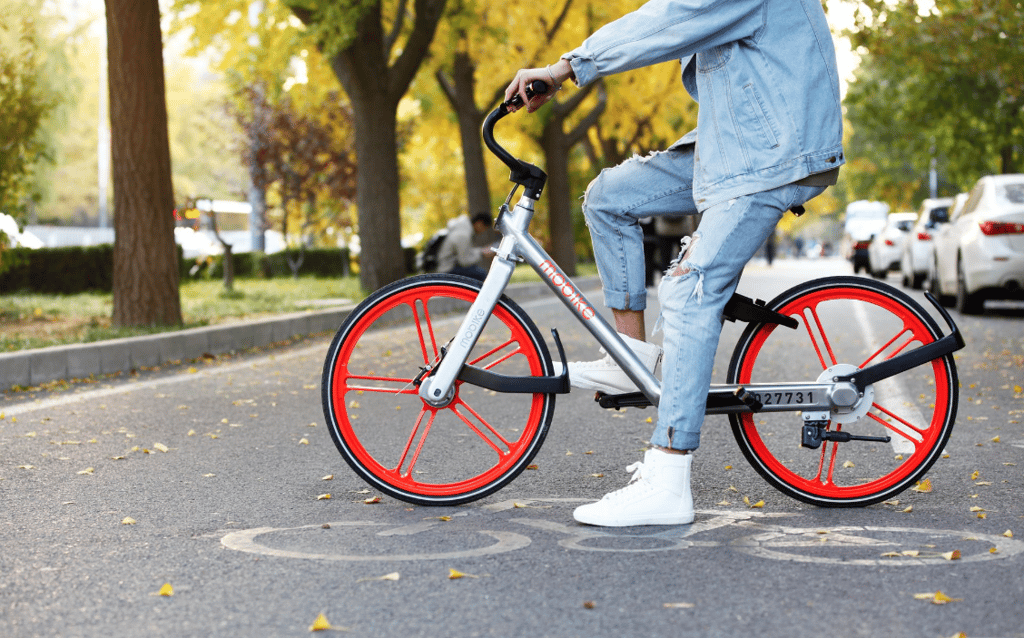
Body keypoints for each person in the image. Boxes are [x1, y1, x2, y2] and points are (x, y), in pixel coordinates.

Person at [505, 0, 844, 527]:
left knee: (689, 290)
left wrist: (564, 67)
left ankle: (668, 478)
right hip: (733, 145)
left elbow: (669, 20)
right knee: (608, 197)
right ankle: (630, 356)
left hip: (774, 153)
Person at [436, 213, 495, 281]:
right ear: (479, 223)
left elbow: (465, 253)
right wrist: (482, 254)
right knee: (482, 275)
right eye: (484, 228)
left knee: (477, 271)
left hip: (445, 266)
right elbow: (464, 261)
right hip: (446, 269)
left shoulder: (461, 228)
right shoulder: (463, 234)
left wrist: (481, 251)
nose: (483, 231)